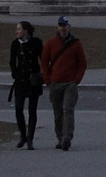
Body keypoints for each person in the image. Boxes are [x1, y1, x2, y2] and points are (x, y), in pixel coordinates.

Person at [41, 16, 87, 151]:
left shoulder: (76, 44)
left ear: (69, 27)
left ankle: (67, 136)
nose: (63, 28)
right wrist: (48, 79)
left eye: (65, 25)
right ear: (57, 27)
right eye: (60, 25)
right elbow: (44, 63)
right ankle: (60, 137)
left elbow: (82, 64)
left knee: (68, 109)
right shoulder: (51, 43)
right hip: (55, 83)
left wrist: (76, 80)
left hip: (69, 84)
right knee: (58, 112)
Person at [9, 21, 44, 149]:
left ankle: (30, 138)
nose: (16, 31)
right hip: (20, 81)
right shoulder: (15, 44)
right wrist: (16, 74)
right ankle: (23, 135)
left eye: (19, 29)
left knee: (32, 110)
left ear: (26, 31)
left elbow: (43, 59)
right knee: (18, 109)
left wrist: (42, 74)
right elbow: (12, 62)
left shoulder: (37, 42)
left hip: (33, 80)